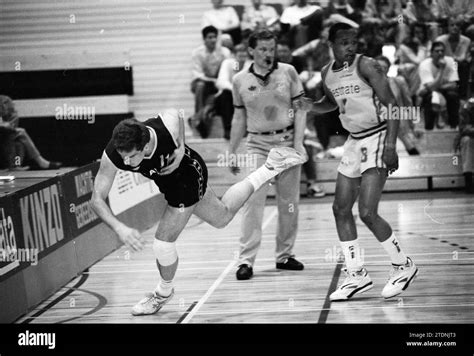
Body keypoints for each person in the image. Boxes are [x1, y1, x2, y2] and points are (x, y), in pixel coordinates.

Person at [91, 109, 306, 316]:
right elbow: (96, 199)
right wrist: (119, 227)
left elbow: (175, 113)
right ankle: (270, 167)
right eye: (123, 157)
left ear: (145, 145)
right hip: (166, 181)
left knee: (162, 243)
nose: (125, 163)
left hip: (187, 176)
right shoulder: (116, 153)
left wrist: (180, 146)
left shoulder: (164, 131)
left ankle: (162, 294)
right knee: (222, 217)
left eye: (131, 157)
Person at [297, 23, 418, 300]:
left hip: (377, 137)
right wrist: (311, 106)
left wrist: (390, 145)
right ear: (332, 45)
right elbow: (331, 103)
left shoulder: (368, 66)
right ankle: (357, 274)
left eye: (354, 42)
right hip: (354, 140)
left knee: (366, 212)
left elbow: (392, 105)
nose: (351, 47)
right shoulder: (327, 72)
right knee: (340, 208)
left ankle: (403, 265)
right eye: (344, 43)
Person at [229, 29, 307, 280]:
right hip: (257, 146)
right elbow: (238, 117)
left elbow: (301, 109)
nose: (268, 53)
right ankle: (246, 261)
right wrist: (231, 151)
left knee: (289, 203)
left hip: (286, 143)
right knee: (252, 203)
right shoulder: (240, 80)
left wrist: (298, 144)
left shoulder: (288, 72)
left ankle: (285, 256)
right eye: (262, 49)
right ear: (251, 50)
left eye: (271, 49)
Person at [0, 95, 62, 170]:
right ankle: (40, 161)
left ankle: (16, 166)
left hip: (6, 135)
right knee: (21, 132)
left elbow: (12, 123)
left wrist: (6, 125)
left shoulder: (9, 107)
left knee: (18, 142)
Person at [190, 25, 231, 138]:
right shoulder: (197, 53)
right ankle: (198, 116)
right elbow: (197, 74)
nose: (213, 40)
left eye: (215, 37)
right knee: (200, 85)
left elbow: (229, 69)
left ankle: (201, 118)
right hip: (204, 82)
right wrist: (213, 80)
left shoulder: (225, 52)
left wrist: (219, 81)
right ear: (204, 39)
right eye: (210, 37)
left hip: (219, 82)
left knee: (223, 92)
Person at [375, 56, 420, 155]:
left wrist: (414, 123)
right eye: (379, 66)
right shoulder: (367, 85)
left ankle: (410, 148)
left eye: (385, 67)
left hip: (396, 119)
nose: (382, 69)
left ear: (388, 68)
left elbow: (408, 104)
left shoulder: (398, 82)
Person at [418, 41, 460, 130]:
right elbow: (430, 87)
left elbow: (455, 84)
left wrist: (437, 87)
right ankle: (429, 129)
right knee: (431, 97)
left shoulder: (453, 62)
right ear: (431, 53)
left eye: (442, 51)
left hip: (442, 90)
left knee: (453, 95)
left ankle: (454, 126)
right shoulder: (423, 64)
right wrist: (441, 70)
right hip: (427, 93)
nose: (440, 53)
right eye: (437, 51)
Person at [216, 43, 251, 139]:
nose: (242, 54)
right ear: (234, 54)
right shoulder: (227, 63)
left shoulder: (251, 65)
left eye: (244, 51)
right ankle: (228, 129)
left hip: (244, 97)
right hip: (228, 97)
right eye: (239, 51)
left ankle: (247, 129)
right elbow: (221, 82)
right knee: (225, 94)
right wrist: (235, 91)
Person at [435, 17, 472, 99]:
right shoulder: (440, 40)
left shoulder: (467, 41)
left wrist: (456, 61)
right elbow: (437, 57)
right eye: (452, 25)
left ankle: (463, 97)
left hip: (460, 67)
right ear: (448, 27)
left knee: (464, 66)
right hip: (444, 67)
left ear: (461, 27)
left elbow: (466, 57)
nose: (455, 27)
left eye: (457, 25)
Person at [454, 97, 474, 194]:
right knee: (467, 141)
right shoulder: (467, 107)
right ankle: (469, 182)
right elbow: (464, 129)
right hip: (469, 137)